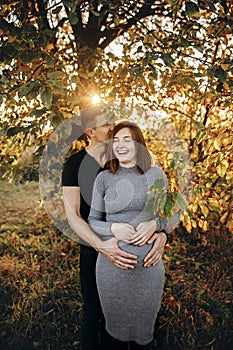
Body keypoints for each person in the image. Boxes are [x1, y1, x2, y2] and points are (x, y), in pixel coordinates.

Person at [62, 105, 167, 350]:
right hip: (93, 248)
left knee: (139, 320)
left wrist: (161, 234)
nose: (112, 127)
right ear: (91, 131)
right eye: (107, 125)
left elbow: (156, 211)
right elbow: (73, 215)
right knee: (95, 315)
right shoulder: (75, 165)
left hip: (139, 257)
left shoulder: (120, 158)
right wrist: (102, 245)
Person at [88, 120, 169, 350]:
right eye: (116, 140)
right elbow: (93, 221)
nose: (121, 145)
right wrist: (113, 228)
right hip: (112, 271)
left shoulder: (155, 175)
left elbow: (169, 219)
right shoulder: (103, 178)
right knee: (113, 336)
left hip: (148, 270)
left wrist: (155, 224)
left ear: (138, 145)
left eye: (128, 140)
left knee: (145, 335)